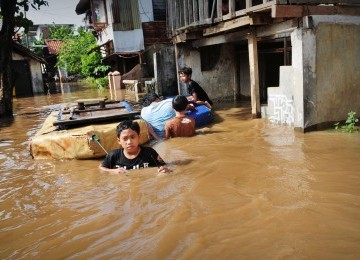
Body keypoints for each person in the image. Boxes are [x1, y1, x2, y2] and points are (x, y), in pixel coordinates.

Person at [99, 120, 170, 174]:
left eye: (132, 137)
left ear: (139, 137)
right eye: (125, 138)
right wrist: (113, 171)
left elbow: (164, 166)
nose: (129, 142)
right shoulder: (113, 155)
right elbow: (101, 168)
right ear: (119, 141)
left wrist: (163, 171)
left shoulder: (149, 152)